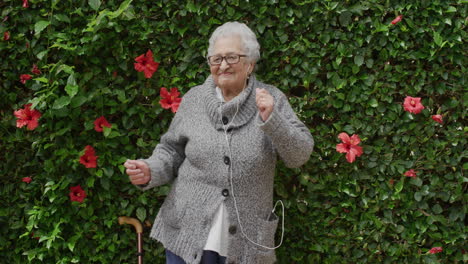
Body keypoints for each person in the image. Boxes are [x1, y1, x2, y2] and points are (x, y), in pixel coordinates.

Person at [124, 21, 314, 264]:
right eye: (216, 59)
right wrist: (151, 170)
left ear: (250, 64)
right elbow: (171, 151)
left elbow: (300, 155)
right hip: (186, 235)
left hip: (247, 243)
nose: (223, 65)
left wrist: (273, 120)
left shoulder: (272, 99)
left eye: (232, 57)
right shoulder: (194, 99)